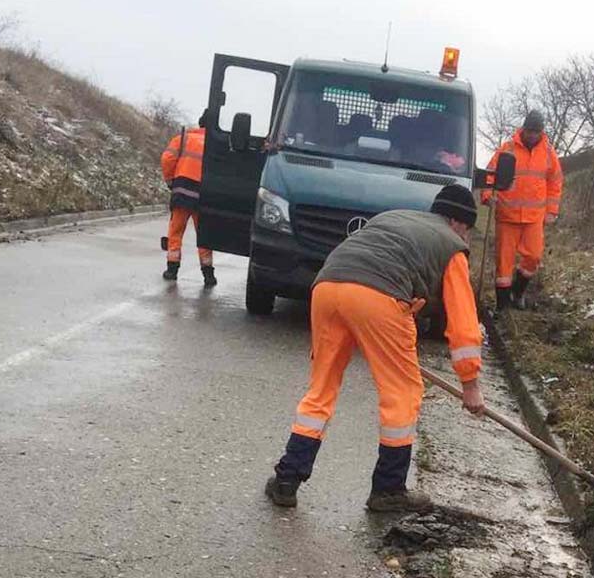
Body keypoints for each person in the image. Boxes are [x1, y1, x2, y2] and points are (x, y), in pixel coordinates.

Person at [264, 185, 486, 512]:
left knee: (321, 388)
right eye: (467, 230)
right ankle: (388, 488)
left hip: (327, 287)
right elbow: (463, 322)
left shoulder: (394, 217)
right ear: (457, 222)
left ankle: (287, 478)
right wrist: (471, 385)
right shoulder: (452, 246)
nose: (466, 238)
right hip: (378, 296)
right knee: (403, 391)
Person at [481, 110, 564, 310]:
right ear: (524, 129)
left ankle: (517, 293)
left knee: (534, 257)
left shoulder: (548, 153)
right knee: (504, 263)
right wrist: (486, 195)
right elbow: (490, 175)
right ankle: (502, 306)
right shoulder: (507, 149)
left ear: (541, 132)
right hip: (506, 215)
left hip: (534, 218)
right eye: (529, 131)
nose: (532, 135)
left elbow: (555, 182)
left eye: (536, 131)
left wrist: (552, 210)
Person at [160, 112, 215, 287]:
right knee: (204, 235)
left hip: (182, 192)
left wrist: (170, 180)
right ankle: (208, 275)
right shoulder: (215, 144)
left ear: (200, 123)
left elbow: (167, 159)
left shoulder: (183, 138)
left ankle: (172, 270)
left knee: (176, 232)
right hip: (203, 196)